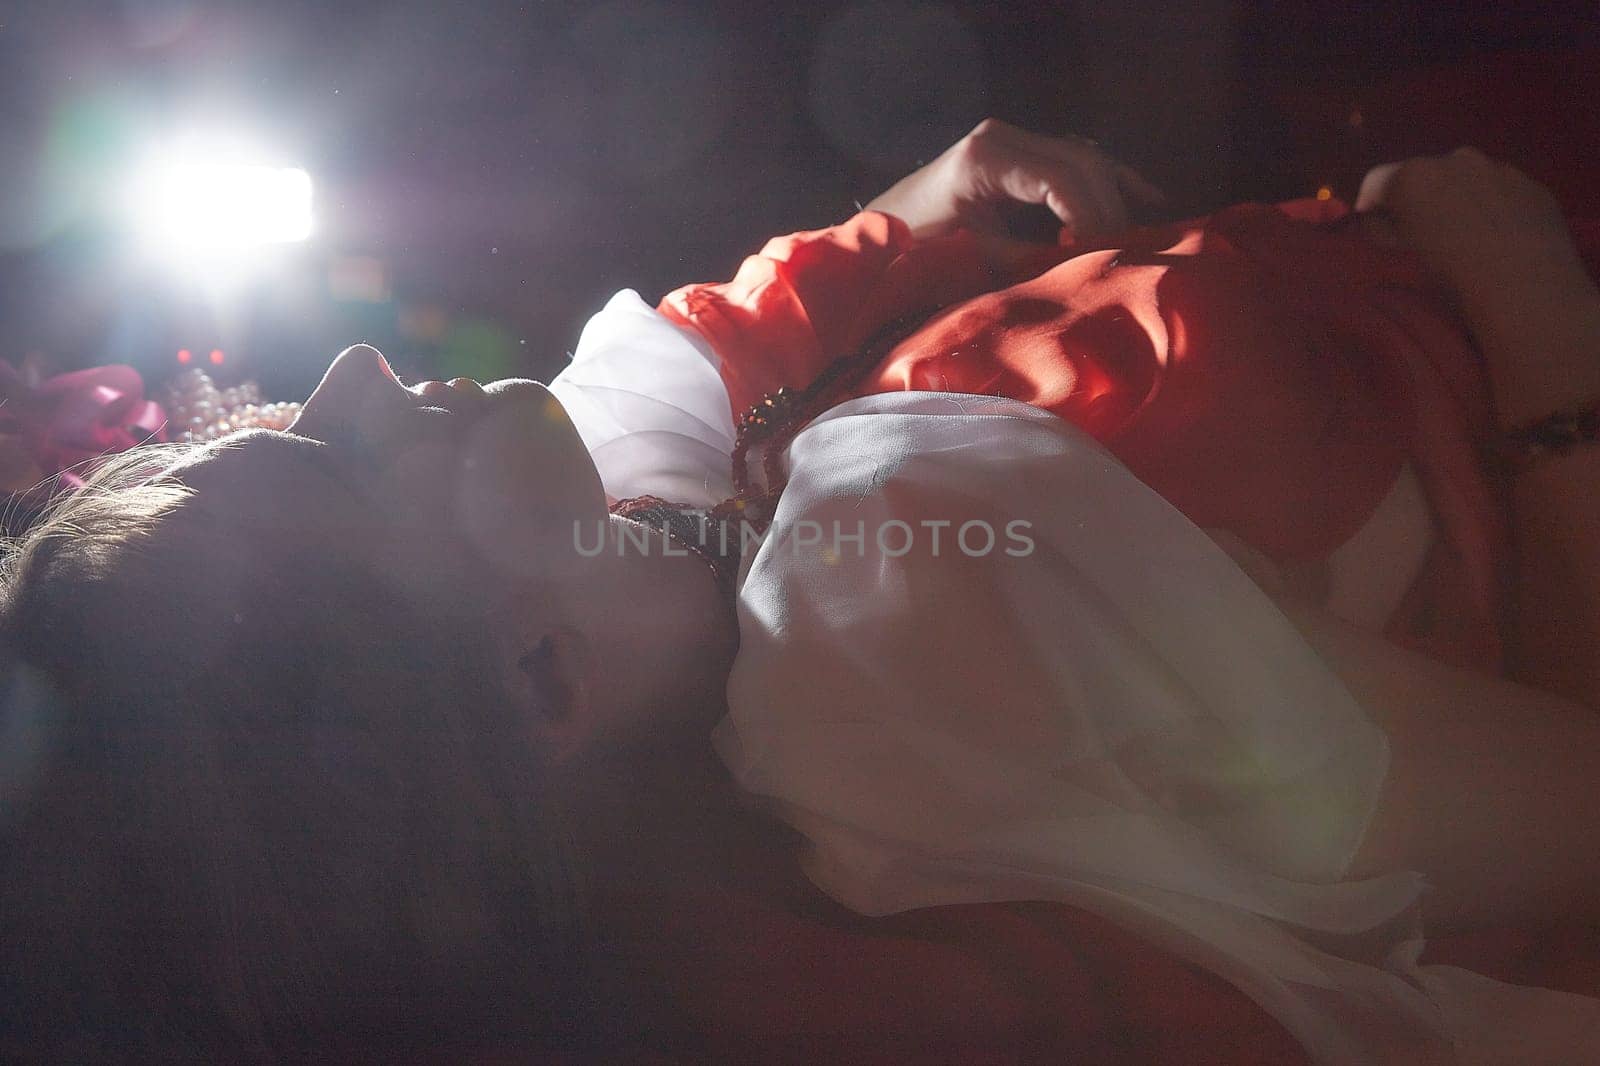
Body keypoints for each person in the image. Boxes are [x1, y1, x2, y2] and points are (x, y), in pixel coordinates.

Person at [2, 121, 1599, 1062]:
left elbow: (692, 359)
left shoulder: (628, 503)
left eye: (280, 420)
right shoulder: (894, 636)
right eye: (339, 461)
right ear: (535, 682)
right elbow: (1559, 814)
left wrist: (918, 207)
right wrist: (1546, 359)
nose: (347, 367)